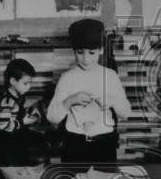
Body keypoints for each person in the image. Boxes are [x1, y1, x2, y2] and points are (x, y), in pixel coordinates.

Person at [46, 18, 131, 165]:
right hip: (74, 144)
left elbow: (126, 113)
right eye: (80, 52)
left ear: (101, 50)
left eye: (92, 53)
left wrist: (114, 101)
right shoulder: (67, 78)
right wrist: (69, 101)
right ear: (73, 51)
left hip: (104, 144)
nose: (85, 59)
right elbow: (52, 117)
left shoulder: (110, 76)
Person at [0, 58, 41, 168]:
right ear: (13, 81)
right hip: (7, 141)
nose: (29, 86)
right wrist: (23, 121)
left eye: (30, 83)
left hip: (17, 134)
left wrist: (31, 111)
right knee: (19, 159)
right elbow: (4, 126)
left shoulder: (18, 96)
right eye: (26, 83)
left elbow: (19, 111)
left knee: (41, 137)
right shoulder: (7, 102)